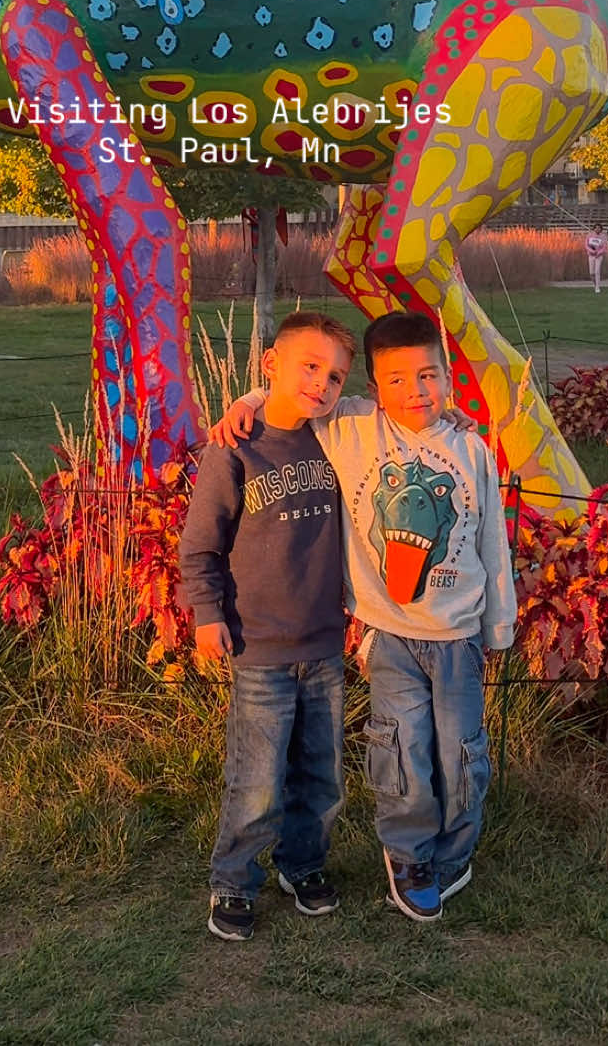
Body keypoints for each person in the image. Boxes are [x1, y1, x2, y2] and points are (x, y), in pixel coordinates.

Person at [212, 311, 515, 925]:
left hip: (458, 634)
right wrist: (245, 401)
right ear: (373, 388)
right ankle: (407, 856)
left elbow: (492, 544)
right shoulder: (352, 429)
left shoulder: (472, 449)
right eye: (396, 380)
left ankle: (455, 852)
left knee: (461, 752)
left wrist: (498, 625)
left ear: (447, 378)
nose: (416, 392)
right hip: (391, 635)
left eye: (428, 377)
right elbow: (293, 397)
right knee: (402, 750)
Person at [179, 310, 356, 943]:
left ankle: (302, 865)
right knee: (256, 779)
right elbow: (201, 545)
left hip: (324, 644)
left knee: (322, 771)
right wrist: (206, 615)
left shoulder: (337, 439)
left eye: (333, 376)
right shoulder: (234, 448)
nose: (321, 384)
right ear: (270, 364)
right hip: (259, 647)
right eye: (309, 366)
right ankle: (232, 880)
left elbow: (385, 411)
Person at [584, 222, 608, 293]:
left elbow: (604, 247)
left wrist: (599, 253)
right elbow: (586, 245)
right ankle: (595, 284)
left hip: (599, 256)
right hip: (591, 255)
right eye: (596, 228)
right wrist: (591, 251)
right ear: (594, 229)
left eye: (599, 228)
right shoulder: (590, 235)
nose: (597, 229)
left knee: (597, 271)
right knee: (592, 273)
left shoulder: (603, 236)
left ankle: (597, 287)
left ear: (601, 229)